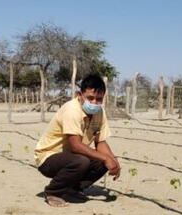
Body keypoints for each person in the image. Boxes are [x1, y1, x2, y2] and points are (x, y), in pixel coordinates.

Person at [34, 74, 121, 207]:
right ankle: (53, 192)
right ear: (80, 95)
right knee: (82, 161)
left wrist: (113, 161)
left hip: (71, 157)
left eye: (99, 99)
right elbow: (76, 146)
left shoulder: (99, 112)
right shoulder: (72, 110)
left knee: (103, 161)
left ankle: (72, 189)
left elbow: (101, 142)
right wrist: (106, 158)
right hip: (48, 158)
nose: (94, 102)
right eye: (90, 98)